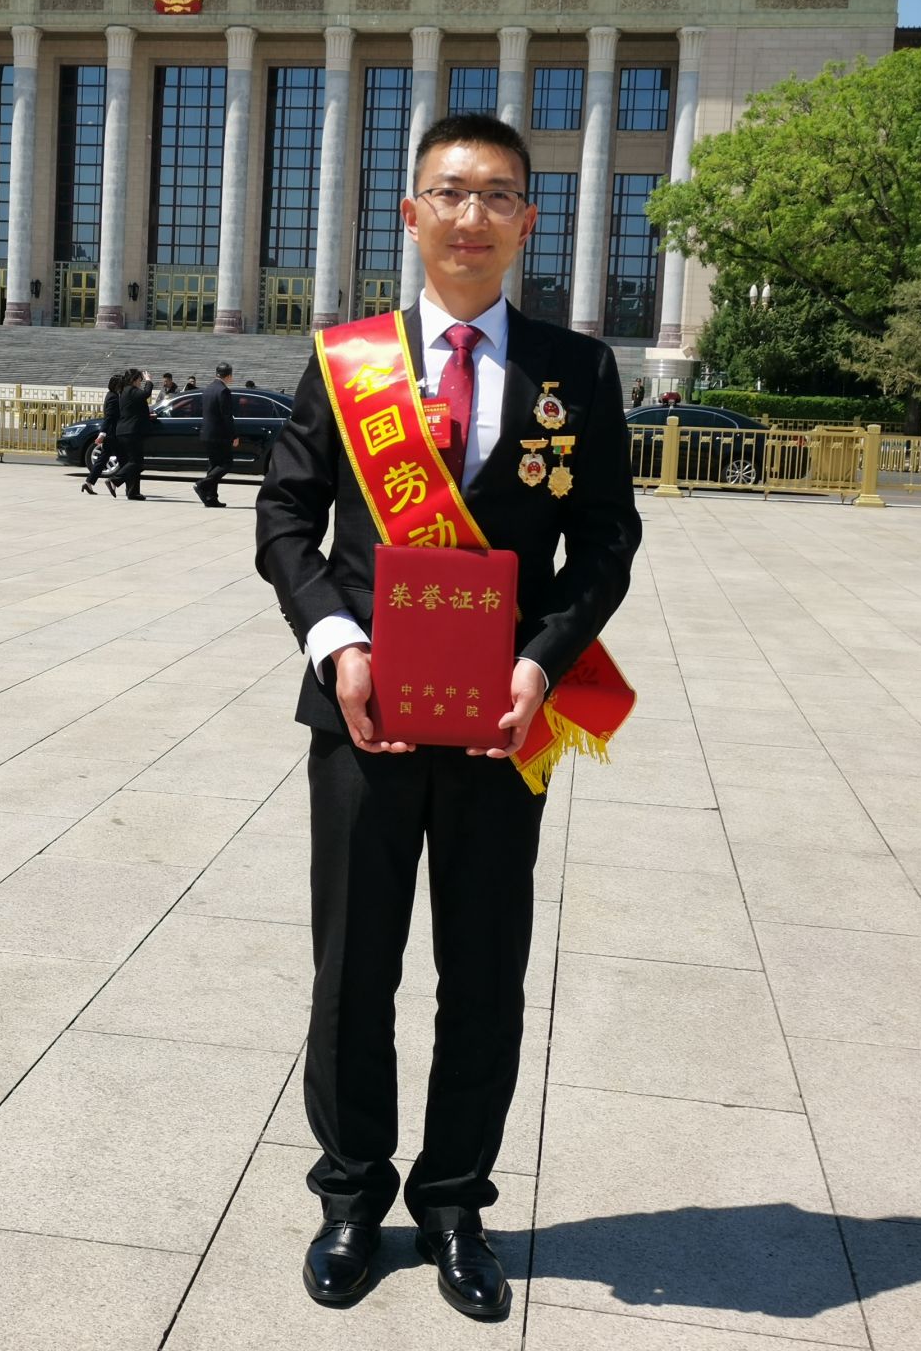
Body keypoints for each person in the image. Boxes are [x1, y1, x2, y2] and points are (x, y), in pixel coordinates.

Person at [257, 112, 640, 1321]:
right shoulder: (347, 361)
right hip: (362, 719)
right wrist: (336, 642)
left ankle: (455, 1202)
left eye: (497, 195)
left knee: (483, 970)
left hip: (501, 727)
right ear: (410, 213)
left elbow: (605, 543)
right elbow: (284, 521)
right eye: (450, 192)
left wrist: (540, 665)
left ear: (526, 221)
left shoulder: (577, 372)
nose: (471, 216)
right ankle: (350, 1196)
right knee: (351, 969)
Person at [194, 361, 239, 508]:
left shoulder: (208, 389)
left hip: (207, 433)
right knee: (226, 463)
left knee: (214, 465)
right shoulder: (224, 391)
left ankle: (210, 497)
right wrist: (234, 435)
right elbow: (227, 416)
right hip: (219, 434)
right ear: (229, 376)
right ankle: (202, 484)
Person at [106, 366, 153, 499]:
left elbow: (134, 409)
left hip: (125, 431)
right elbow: (146, 394)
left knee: (132, 463)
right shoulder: (131, 390)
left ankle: (133, 492)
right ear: (134, 380)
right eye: (140, 380)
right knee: (136, 462)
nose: (140, 383)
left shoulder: (125, 391)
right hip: (131, 431)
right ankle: (114, 480)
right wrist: (149, 381)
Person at [82, 373, 122, 496]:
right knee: (125, 460)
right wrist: (102, 433)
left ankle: (89, 483)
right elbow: (109, 418)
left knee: (103, 459)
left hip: (110, 433)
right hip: (112, 434)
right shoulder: (113, 397)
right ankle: (115, 482)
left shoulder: (111, 395)